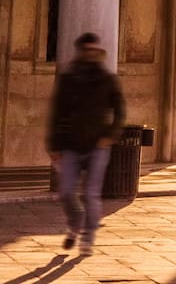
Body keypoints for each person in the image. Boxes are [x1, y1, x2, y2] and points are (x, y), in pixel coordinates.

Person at [48, 32, 124, 257]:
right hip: (71, 145)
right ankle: (75, 223)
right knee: (66, 193)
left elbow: (120, 111)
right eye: (86, 49)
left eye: (93, 49)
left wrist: (110, 135)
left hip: (97, 146)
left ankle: (87, 238)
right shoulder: (68, 78)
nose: (90, 53)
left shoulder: (108, 79)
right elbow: (57, 112)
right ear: (81, 51)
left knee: (91, 194)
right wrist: (53, 144)